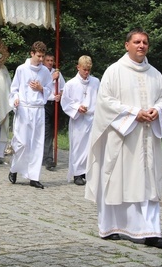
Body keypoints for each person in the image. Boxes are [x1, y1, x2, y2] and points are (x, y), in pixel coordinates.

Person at [85, 30, 162, 248]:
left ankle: (151, 231)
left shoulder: (155, 74)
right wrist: (134, 113)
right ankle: (111, 227)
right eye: (137, 42)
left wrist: (156, 110)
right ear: (127, 45)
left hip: (147, 138)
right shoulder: (114, 71)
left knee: (148, 182)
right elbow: (105, 102)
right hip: (123, 138)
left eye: (144, 42)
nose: (141, 45)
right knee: (118, 181)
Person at [7, 41, 53, 189]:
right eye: (39, 56)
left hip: (38, 109)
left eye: (43, 56)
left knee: (37, 144)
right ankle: (15, 168)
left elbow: (49, 90)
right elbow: (14, 89)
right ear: (32, 53)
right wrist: (15, 100)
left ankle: (34, 176)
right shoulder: (21, 69)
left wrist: (41, 88)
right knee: (22, 143)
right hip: (24, 109)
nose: (41, 59)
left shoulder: (45, 72)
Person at [60, 56, 99, 186]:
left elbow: (101, 99)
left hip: (92, 119)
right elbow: (65, 101)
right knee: (78, 146)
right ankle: (77, 173)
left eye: (88, 70)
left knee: (90, 147)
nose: (86, 72)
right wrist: (77, 107)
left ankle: (86, 172)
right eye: (84, 69)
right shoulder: (70, 84)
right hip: (78, 120)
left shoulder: (95, 82)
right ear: (78, 67)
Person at [42, 53, 65, 170]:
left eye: (52, 60)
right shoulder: (41, 72)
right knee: (46, 131)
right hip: (44, 104)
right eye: (48, 60)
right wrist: (52, 78)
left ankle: (45, 155)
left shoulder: (58, 73)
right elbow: (40, 86)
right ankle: (48, 158)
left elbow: (62, 88)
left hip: (54, 105)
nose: (50, 62)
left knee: (52, 131)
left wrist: (59, 95)